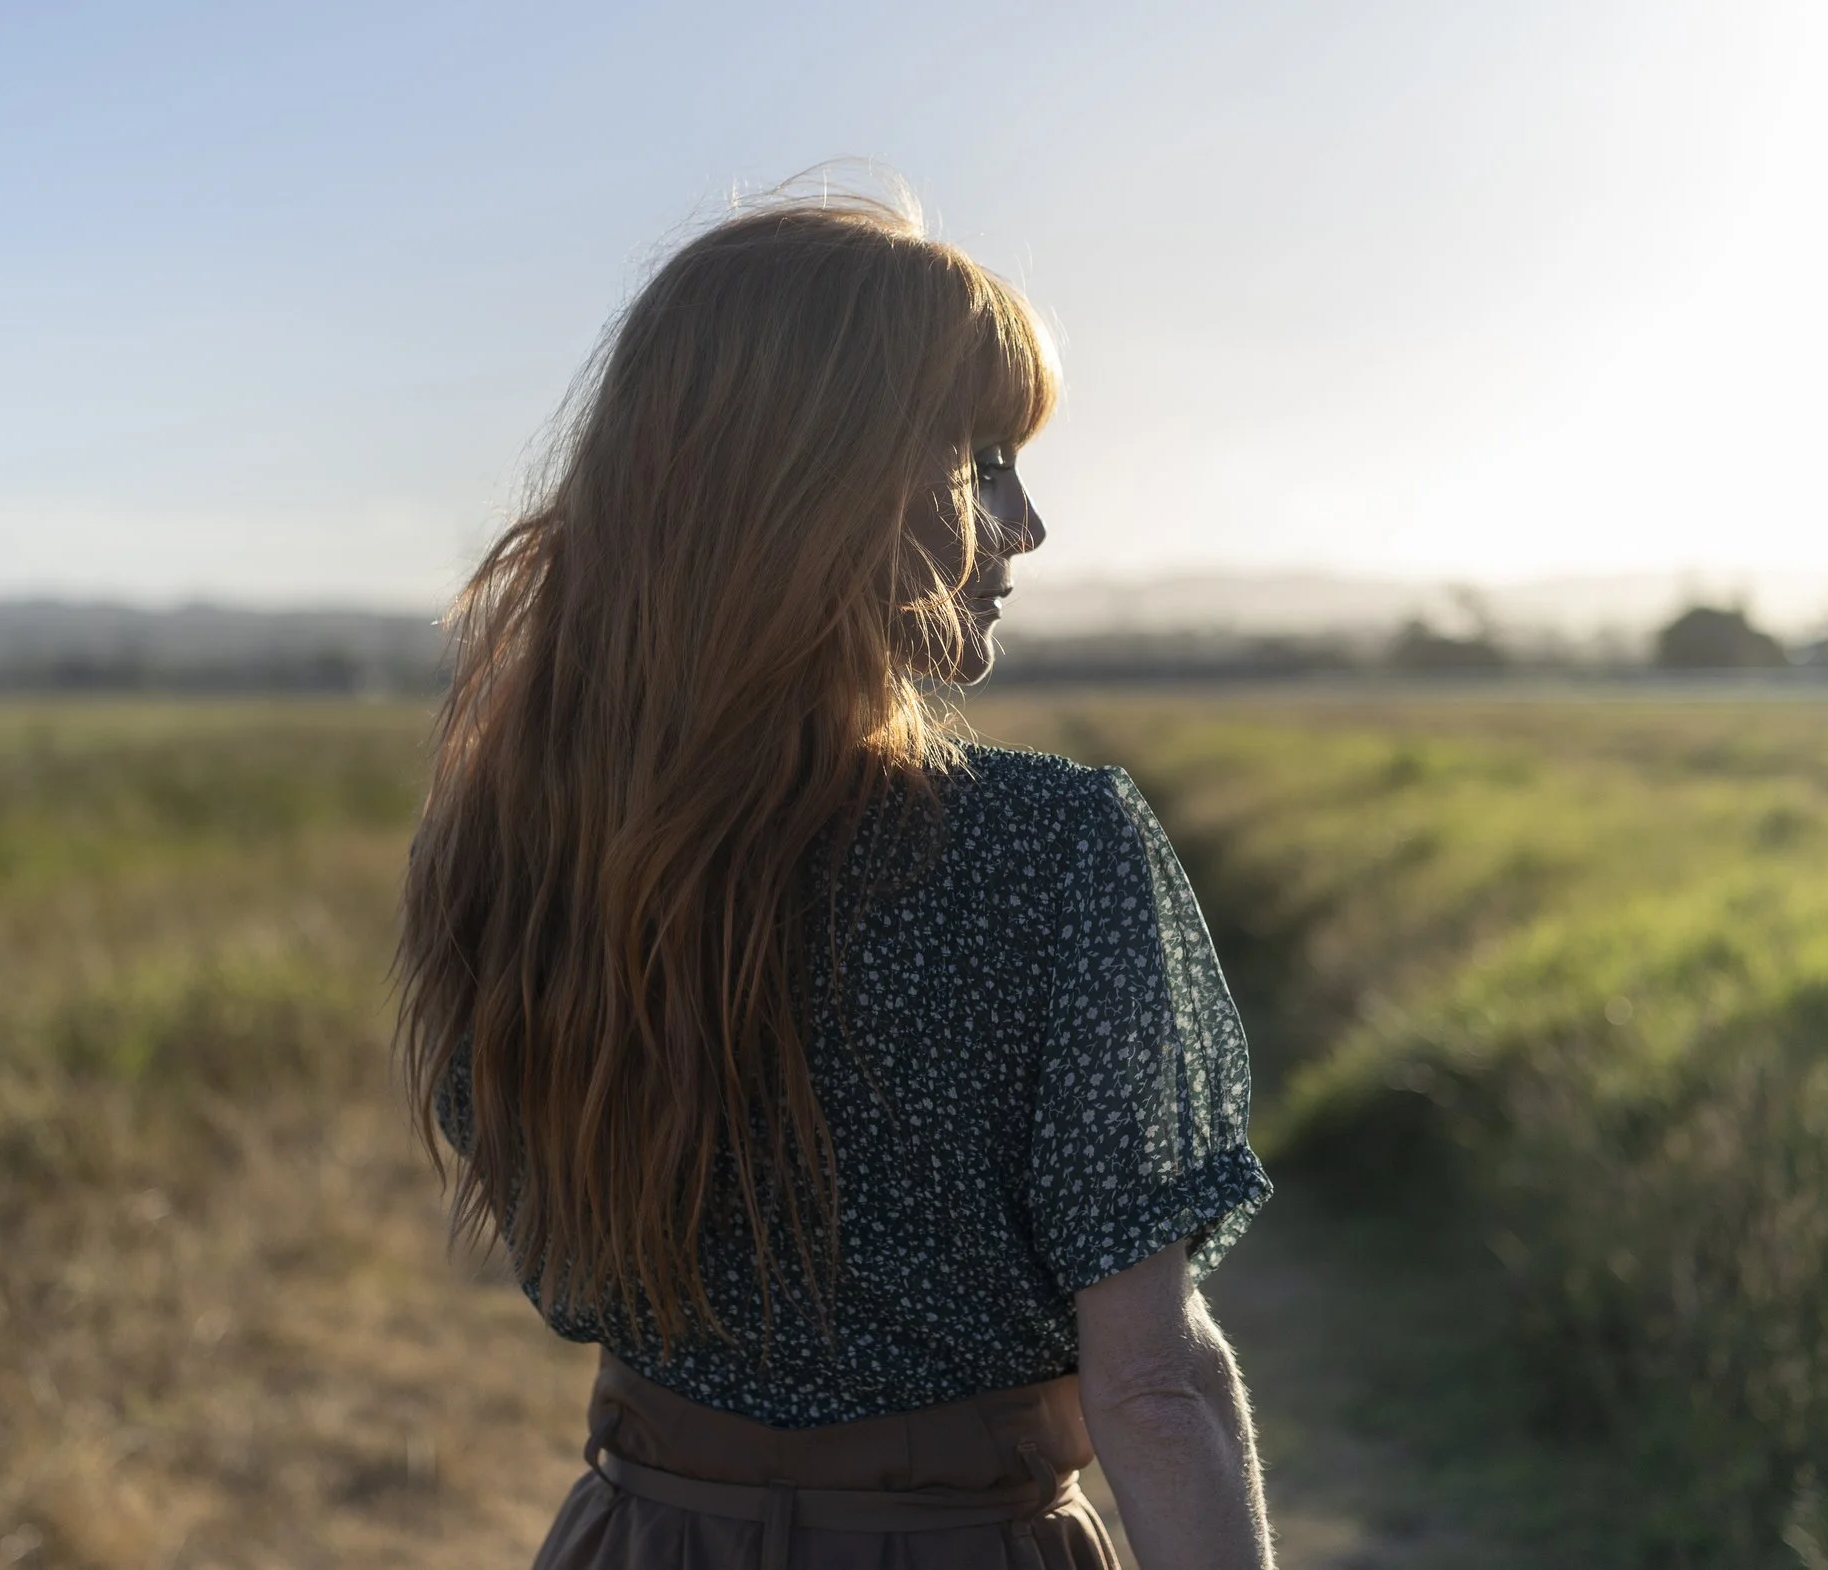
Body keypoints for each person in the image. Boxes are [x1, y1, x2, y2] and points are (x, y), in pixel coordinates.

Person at [397, 184, 1276, 1570]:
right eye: (984, 462)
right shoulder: (1055, 851)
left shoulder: (519, 848)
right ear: (825, 484)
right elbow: (1155, 1386)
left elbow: (561, 1264)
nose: (1027, 524)